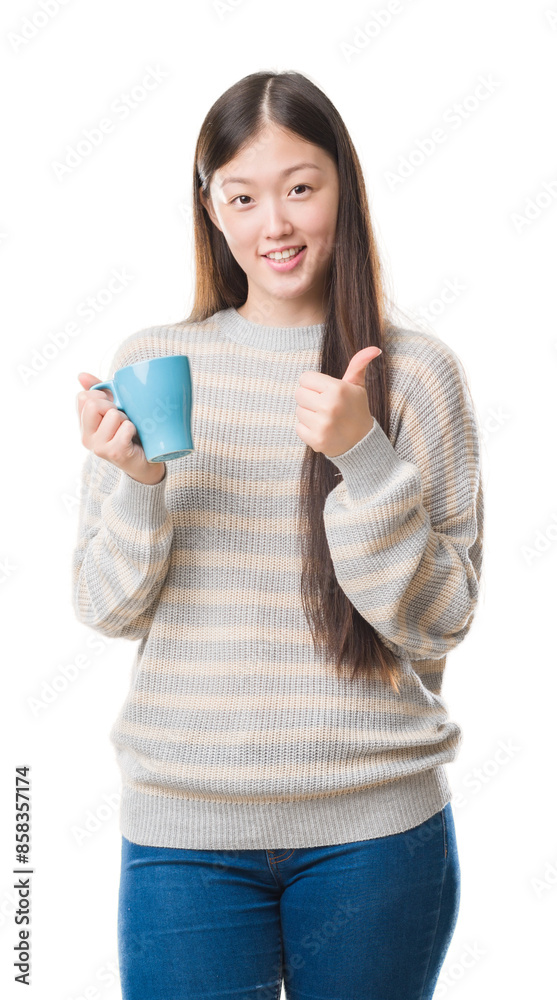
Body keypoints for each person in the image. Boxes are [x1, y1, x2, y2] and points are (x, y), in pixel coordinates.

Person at [72, 70, 484, 1000]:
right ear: (209, 207)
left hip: (375, 840)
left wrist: (366, 461)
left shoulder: (415, 373)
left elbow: (442, 621)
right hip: (184, 839)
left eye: (301, 187)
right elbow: (104, 606)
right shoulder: (151, 366)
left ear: (345, 187)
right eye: (243, 195)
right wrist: (137, 488)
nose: (276, 224)